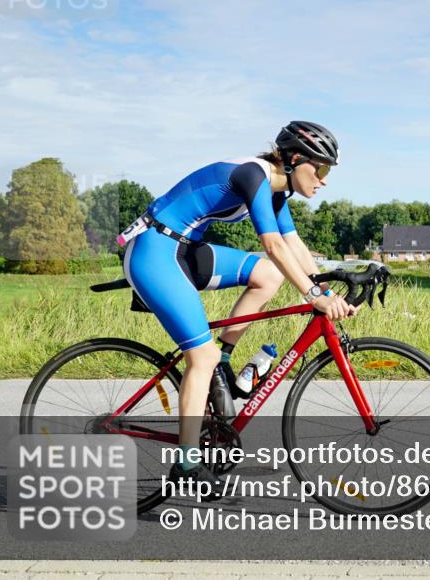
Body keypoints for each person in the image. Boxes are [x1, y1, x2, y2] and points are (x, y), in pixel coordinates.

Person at [120, 121, 357, 494]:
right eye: (322, 169)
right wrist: (315, 296)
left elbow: (293, 246)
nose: (325, 180)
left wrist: (328, 290)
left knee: (267, 277)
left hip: (186, 249)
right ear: (296, 160)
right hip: (155, 251)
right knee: (201, 356)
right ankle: (186, 464)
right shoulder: (254, 176)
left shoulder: (278, 193)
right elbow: (274, 246)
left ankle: (224, 365)